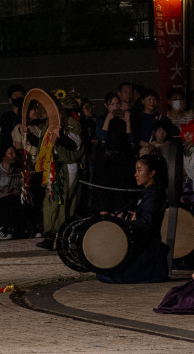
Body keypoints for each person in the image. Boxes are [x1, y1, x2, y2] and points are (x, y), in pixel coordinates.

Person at [97, 155, 170, 284]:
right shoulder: (148, 192)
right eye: (136, 170)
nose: (135, 174)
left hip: (148, 249)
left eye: (139, 170)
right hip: (145, 245)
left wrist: (124, 223)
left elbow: (148, 222)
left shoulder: (153, 195)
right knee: (104, 272)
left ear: (152, 173)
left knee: (107, 275)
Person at [36, 90, 86, 249]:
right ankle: (50, 235)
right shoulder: (48, 122)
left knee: (62, 200)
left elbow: (75, 144)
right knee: (51, 200)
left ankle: (62, 235)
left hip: (65, 165)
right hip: (52, 165)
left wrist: (61, 135)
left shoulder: (70, 122)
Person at [0, 145, 32, 239]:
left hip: (12, 201)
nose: (14, 156)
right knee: (8, 201)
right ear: (3, 156)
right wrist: (4, 195)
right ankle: (0, 229)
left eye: (14, 153)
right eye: (10, 153)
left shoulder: (18, 172)